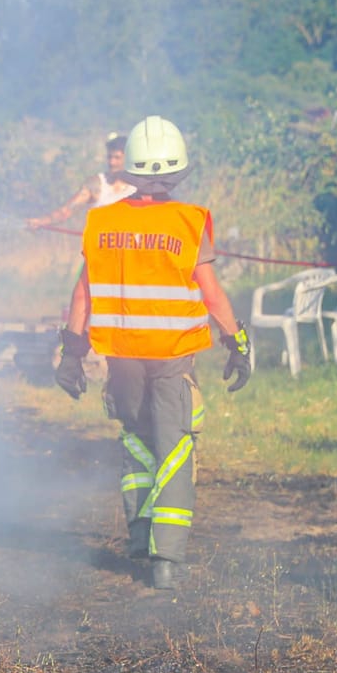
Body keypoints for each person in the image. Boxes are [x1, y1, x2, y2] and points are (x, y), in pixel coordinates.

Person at [54, 116, 251, 592]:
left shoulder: (102, 221)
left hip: (121, 358)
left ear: (130, 171)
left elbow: (83, 293)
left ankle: (140, 537)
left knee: (136, 442)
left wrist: (71, 351)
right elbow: (213, 294)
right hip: (172, 359)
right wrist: (237, 341)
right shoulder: (187, 222)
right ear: (179, 173)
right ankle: (166, 561)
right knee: (175, 448)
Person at [26, 132, 135, 230]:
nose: (112, 162)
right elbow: (66, 211)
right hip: (101, 249)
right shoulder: (96, 184)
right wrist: (41, 222)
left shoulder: (140, 186)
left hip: (133, 250)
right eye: (109, 157)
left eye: (117, 158)